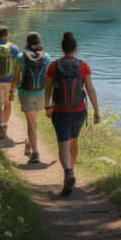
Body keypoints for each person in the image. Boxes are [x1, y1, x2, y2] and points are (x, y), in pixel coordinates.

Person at [45, 31, 100, 196]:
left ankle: (68, 171)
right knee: (74, 141)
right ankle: (72, 170)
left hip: (60, 111)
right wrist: (97, 111)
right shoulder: (83, 66)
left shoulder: (54, 66)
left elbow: (47, 89)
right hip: (79, 111)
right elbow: (90, 89)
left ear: (62, 48)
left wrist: (47, 107)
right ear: (76, 48)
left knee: (63, 144)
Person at [10, 32, 51, 164]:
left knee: (31, 123)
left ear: (26, 42)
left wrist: (12, 91)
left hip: (26, 93)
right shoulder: (46, 56)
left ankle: (35, 152)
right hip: (41, 94)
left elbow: (16, 77)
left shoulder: (21, 56)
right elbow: (50, 78)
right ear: (39, 42)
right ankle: (29, 142)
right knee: (34, 121)